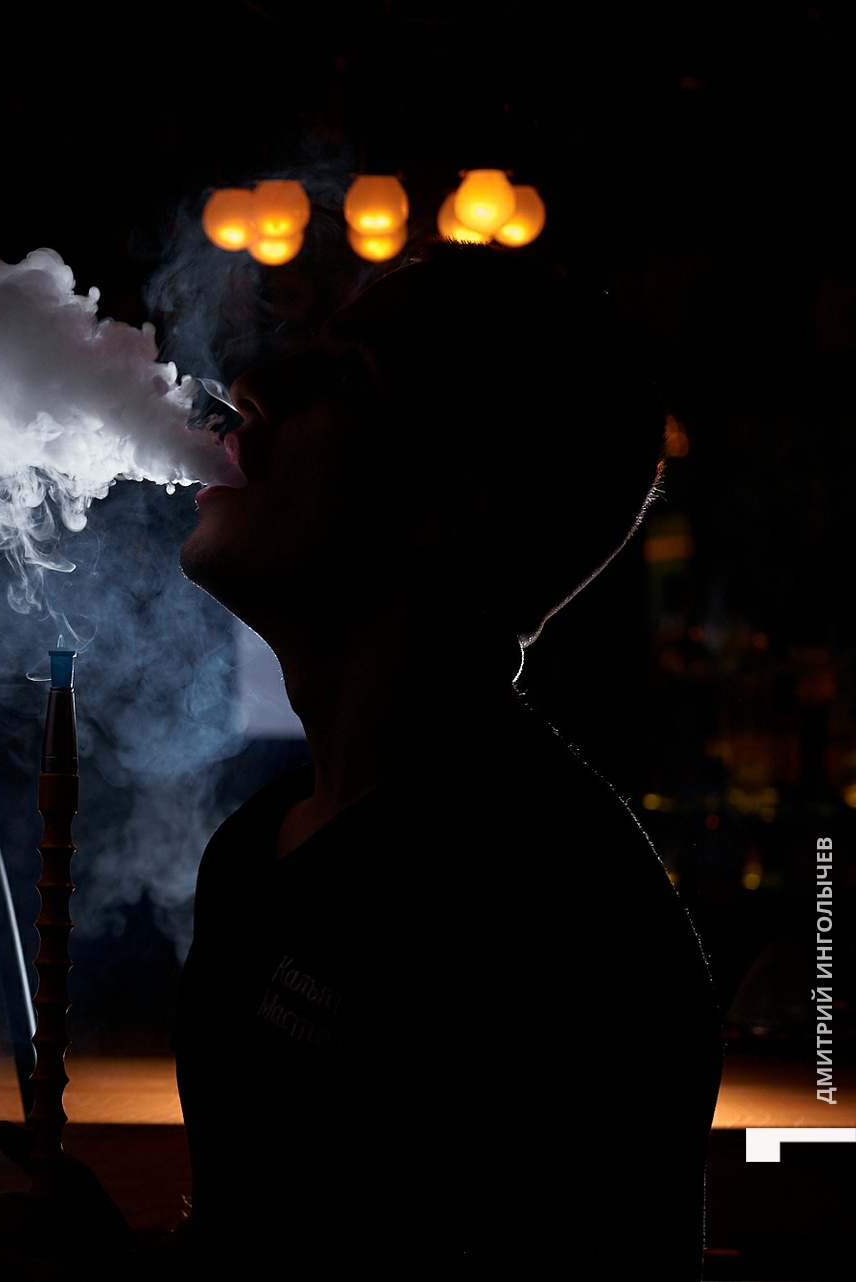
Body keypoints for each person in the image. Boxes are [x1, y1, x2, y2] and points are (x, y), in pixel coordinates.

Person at [159, 245, 722, 1278]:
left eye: (348, 373)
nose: (253, 382)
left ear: (457, 509)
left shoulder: (561, 915)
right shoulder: (253, 850)